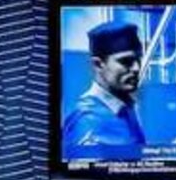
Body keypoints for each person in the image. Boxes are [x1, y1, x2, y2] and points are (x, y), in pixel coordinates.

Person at [62, 19, 148, 159]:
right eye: (125, 61)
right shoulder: (87, 120)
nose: (137, 68)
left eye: (138, 59)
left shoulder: (126, 108)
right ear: (98, 64)